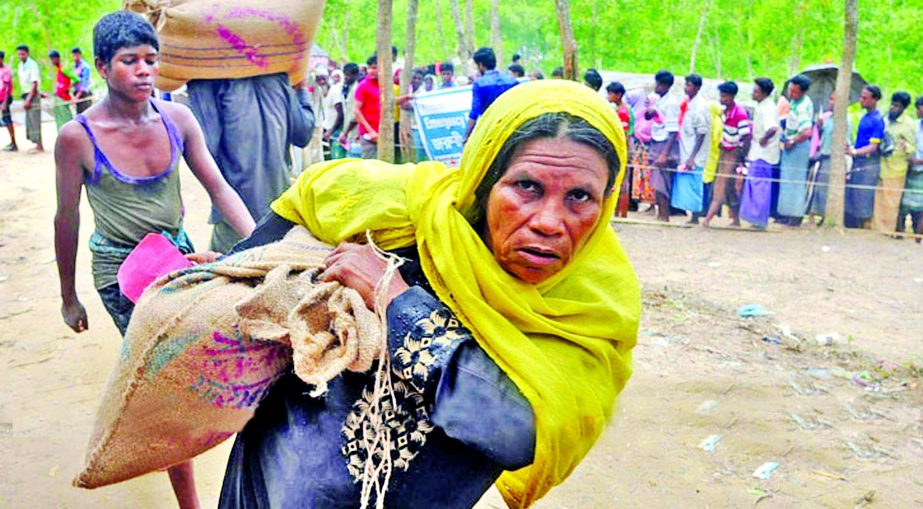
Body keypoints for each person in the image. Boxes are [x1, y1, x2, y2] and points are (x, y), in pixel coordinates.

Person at [216, 79, 639, 509]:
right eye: (527, 186)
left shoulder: (590, 305)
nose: (549, 221)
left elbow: (515, 431)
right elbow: (302, 205)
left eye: (580, 197)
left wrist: (396, 302)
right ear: (483, 179)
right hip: (272, 488)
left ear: (604, 204)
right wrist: (235, 266)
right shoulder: (399, 217)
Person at [52, 11, 256, 509]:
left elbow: (218, 186)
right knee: (166, 381)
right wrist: (68, 297)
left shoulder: (178, 119)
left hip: (175, 257)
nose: (144, 70)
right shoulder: (78, 138)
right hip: (120, 272)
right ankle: (189, 501)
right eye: (129, 61)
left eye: (151, 59)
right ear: (102, 66)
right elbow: (66, 219)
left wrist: (258, 247)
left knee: (231, 345)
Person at [185, 52, 315, 252]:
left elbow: (206, 146)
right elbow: (303, 134)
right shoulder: (278, 78)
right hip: (279, 209)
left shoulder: (207, 80)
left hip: (234, 213)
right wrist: (301, 91)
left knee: (226, 275)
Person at [703, 81, 751, 227]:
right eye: (721, 96)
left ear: (732, 96)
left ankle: (707, 220)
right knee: (729, 187)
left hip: (732, 152)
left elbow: (746, 136)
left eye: (724, 96)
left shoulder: (740, 114)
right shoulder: (726, 112)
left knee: (720, 185)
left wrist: (741, 155)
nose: (721, 99)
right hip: (724, 150)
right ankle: (735, 219)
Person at [740, 78, 781, 228]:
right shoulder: (763, 106)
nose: (753, 93)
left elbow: (772, 127)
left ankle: (758, 218)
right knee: (756, 183)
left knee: (760, 185)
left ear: (763, 93)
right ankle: (754, 217)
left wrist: (764, 139)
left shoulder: (767, 108)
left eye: (756, 91)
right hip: (758, 150)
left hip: (763, 153)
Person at [872, 91, 916, 234]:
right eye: (892, 105)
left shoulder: (908, 124)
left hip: (897, 168)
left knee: (891, 202)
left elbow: (912, 148)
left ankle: (887, 230)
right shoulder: (885, 119)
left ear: (903, 108)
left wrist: (905, 146)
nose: (893, 108)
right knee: (878, 200)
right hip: (882, 164)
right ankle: (876, 229)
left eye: (897, 106)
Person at [806, 92, 851, 225]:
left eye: (834, 100)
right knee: (819, 189)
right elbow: (822, 139)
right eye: (830, 99)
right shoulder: (828, 118)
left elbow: (845, 141)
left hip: (834, 158)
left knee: (828, 190)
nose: (830, 102)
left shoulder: (844, 121)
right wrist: (819, 128)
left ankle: (828, 217)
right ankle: (817, 216)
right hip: (824, 156)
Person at [845, 85, 886, 228]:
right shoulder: (865, 117)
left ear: (874, 100)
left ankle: (866, 227)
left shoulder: (878, 120)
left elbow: (873, 146)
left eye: (865, 98)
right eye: (861, 97)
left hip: (869, 164)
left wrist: (855, 152)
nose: (861, 100)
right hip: (859, 161)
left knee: (864, 197)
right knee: (854, 195)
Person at [776, 74, 814, 226]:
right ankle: (786, 212)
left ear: (803, 92)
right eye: (790, 90)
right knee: (787, 180)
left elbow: (806, 132)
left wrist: (793, 140)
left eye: (794, 91)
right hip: (790, 144)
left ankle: (795, 215)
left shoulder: (804, 106)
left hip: (798, 146)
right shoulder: (794, 102)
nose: (791, 94)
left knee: (795, 181)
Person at [673, 73, 711, 223]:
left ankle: (695, 216)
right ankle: (692, 215)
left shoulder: (700, 107)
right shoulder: (689, 103)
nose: (686, 88)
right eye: (685, 84)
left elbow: (701, 133)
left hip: (695, 154)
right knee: (687, 183)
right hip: (686, 148)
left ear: (697, 87)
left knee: (695, 184)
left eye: (689, 85)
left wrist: (692, 157)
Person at [464, 47, 518, 141]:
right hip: (511, 127)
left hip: (491, 129)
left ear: (480, 65)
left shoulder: (480, 84)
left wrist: (467, 136)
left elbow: (474, 113)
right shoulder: (512, 81)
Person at [647, 70, 681, 222]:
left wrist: (664, 154)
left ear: (665, 85)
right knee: (657, 180)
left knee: (662, 182)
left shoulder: (671, 103)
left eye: (659, 84)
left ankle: (664, 215)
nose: (656, 86)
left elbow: (673, 131)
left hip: (665, 145)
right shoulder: (659, 101)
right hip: (656, 141)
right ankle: (660, 213)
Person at [899, 95, 923, 242]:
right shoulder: (914, 125)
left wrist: (919, 161)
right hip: (910, 170)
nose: (917, 111)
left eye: (919, 108)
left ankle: (918, 238)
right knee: (905, 205)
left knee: (922, 209)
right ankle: (901, 235)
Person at [353, 55, 383, 158]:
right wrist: (370, 131)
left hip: (382, 132)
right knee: (370, 164)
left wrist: (406, 98)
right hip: (368, 134)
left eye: (374, 68)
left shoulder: (384, 85)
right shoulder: (363, 86)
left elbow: (388, 102)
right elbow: (357, 111)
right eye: (369, 68)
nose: (371, 71)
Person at [17, 44, 43, 153]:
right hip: (26, 94)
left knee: (35, 119)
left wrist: (29, 99)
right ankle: (35, 143)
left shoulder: (32, 65)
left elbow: (34, 83)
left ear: (27, 53)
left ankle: (40, 146)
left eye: (23, 54)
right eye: (19, 54)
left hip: (32, 95)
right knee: (30, 121)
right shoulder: (20, 65)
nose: (21, 56)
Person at [47, 50, 80, 132]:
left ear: (57, 58)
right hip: (59, 96)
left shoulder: (63, 69)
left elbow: (76, 79)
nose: (52, 61)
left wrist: (68, 87)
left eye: (53, 59)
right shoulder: (58, 69)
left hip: (64, 97)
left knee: (65, 118)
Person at [337, 62, 361, 157]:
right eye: (345, 75)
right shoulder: (349, 89)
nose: (346, 78)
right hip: (349, 133)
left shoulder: (356, 89)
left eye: (348, 75)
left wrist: (345, 133)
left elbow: (354, 116)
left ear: (355, 75)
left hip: (355, 133)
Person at [0, 50, 17, 151]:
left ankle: (14, 142)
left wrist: (4, 103)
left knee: (7, 119)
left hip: (4, 98)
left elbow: (7, 88)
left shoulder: (6, 70)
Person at [72, 47, 93, 114]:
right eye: (73, 55)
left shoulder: (85, 66)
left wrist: (77, 97)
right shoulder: (75, 67)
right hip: (77, 93)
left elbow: (84, 84)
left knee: (86, 114)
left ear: (79, 55)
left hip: (84, 94)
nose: (74, 57)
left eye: (75, 55)